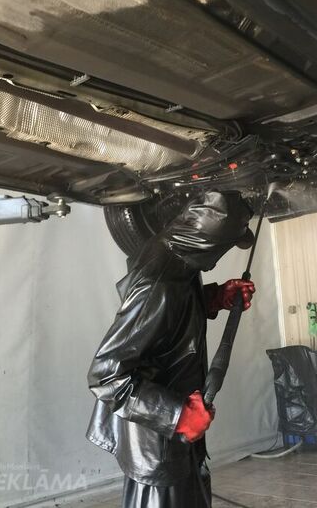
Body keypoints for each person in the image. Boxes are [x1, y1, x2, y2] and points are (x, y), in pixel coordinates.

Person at [86, 191, 256, 507]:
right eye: (221, 249)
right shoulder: (158, 286)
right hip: (158, 446)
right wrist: (176, 415)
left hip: (174, 439)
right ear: (206, 243)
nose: (218, 259)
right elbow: (105, 376)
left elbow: (167, 322)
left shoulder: (174, 257)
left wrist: (215, 297)